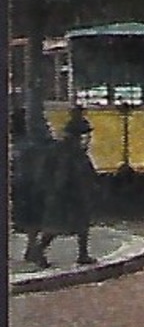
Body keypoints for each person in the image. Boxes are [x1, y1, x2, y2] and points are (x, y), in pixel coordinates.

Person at [23, 114, 97, 268]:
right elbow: (64, 174)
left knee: (80, 225)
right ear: (77, 136)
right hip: (65, 195)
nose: (87, 139)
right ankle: (37, 252)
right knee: (55, 227)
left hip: (70, 194)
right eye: (85, 135)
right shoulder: (66, 152)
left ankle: (82, 254)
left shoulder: (69, 150)